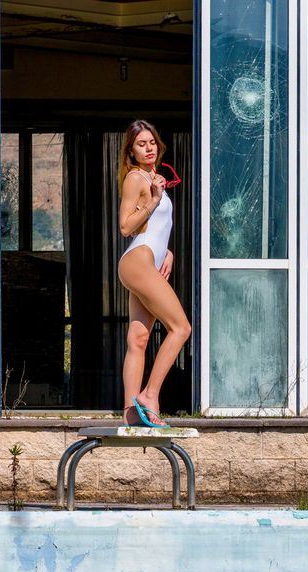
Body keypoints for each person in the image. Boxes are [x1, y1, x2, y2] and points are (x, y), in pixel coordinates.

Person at [117, 119, 192, 429]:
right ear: (131, 152)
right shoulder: (136, 178)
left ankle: (130, 410)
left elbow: (155, 229)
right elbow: (125, 226)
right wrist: (155, 200)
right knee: (181, 328)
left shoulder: (153, 178)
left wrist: (168, 252)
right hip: (138, 261)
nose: (148, 148)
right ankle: (150, 395)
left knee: (139, 338)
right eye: (141, 144)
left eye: (151, 142)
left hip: (145, 260)